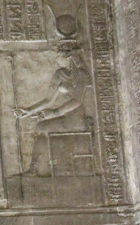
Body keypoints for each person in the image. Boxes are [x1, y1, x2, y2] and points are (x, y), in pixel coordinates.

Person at [16, 44, 91, 176]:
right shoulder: (59, 74)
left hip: (76, 119)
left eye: (59, 55)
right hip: (65, 117)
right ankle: (34, 169)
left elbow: (77, 101)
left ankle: (34, 169)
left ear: (68, 57)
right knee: (39, 126)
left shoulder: (81, 74)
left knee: (41, 127)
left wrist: (54, 113)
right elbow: (48, 100)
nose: (56, 58)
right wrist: (29, 111)